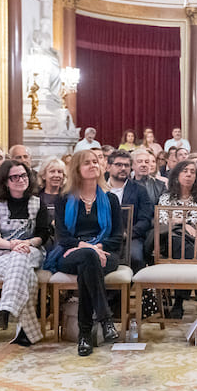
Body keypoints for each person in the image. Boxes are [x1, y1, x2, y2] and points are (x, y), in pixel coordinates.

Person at [54, 149, 124, 357]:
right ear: (77, 169)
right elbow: (63, 238)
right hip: (70, 254)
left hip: (105, 253)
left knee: (88, 266)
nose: (93, 165)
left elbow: (117, 238)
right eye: (87, 163)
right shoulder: (64, 199)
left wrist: (96, 248)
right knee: (89, 259)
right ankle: (105, 319)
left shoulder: (110, 200)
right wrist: (89, 248)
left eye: (96, 162)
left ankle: (85, 335)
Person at [0, 159, 51, 346]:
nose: (21, 179)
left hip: (31, 250)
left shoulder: (38, 203)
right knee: (26, 273)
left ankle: (7, 307)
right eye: (14, 177)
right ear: (5, 181)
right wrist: (11, 245)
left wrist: (25, 243)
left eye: (23, 175)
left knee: (21, 257)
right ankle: (25, 331)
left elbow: (43, 234)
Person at [156, 160, 197, 319]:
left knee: (183, 245)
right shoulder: (167, 197)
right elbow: (162, 221)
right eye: (184, 171)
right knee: (178, 243)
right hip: (169, 242)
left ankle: (178, 302)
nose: (189, 174)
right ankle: (180, 299)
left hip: (196, 240)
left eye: (192, 172)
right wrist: (184, 225)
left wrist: (177, 222)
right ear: (176, 175)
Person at [103, 149, 153, 269]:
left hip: (131, 236)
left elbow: (145, 219)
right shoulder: (99, 189)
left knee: (134, 257)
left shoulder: (139, 190)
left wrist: (127, 233)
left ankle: (133, 288)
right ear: (108, 166)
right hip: (102, 236)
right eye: (119, 165)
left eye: (126, 165)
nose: (123, 168)